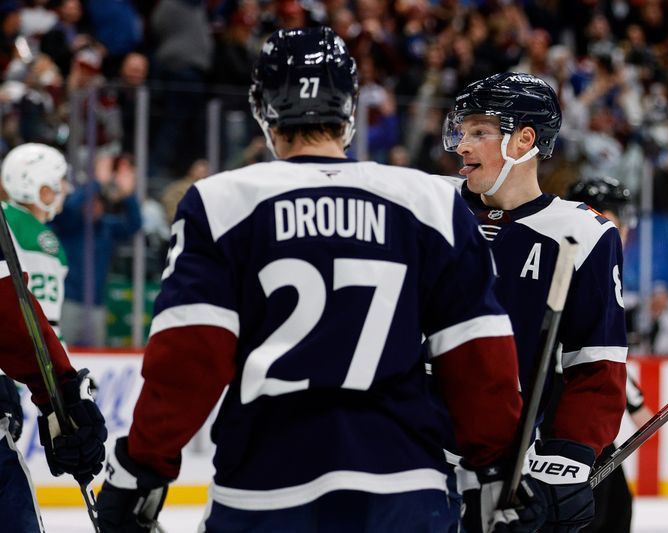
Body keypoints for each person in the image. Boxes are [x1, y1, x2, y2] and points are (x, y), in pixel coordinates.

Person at [95, 26, 540, 533]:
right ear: (350, 110)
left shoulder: (222, 202)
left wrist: (142, 467)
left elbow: (189, 357)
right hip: (405, 491)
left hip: (265, 489)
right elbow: (478, 357)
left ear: (263, 110)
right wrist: (496, 470)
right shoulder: (431, 201)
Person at [440, 72, 628, 532]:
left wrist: (567, 456)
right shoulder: (426, 208)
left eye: (480, 132)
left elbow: (596, 366)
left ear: (524, 140)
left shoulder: (585, 235)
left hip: (497, 476)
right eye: (461, 131)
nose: (462, 145)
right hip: (401, 456)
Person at [0, 142, 108, 532]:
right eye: (55, 182)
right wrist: (60, 391)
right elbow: (22, 317)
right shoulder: (41, 238)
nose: (61, 188)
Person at [562, 176, 655, 533]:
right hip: (566, 416)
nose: (626, 229)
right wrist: (634, 401)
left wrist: (632, 399)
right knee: (600, 515)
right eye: (620, 217)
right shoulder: (581, 258)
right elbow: (585, 345)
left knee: (615, 507)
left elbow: (601, 346)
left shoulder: (594, 257)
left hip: (583, 414)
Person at [50, 152, 142, 347]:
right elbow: (68, 209)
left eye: (98, 202)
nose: (94, 206)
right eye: (90, 202)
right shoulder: (70, 225)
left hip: (96, 305)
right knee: (61, 352)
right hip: (69, 302)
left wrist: (128, 196)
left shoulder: (107, 226)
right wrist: (96, 183)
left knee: (94, 356)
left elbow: (134, 225)